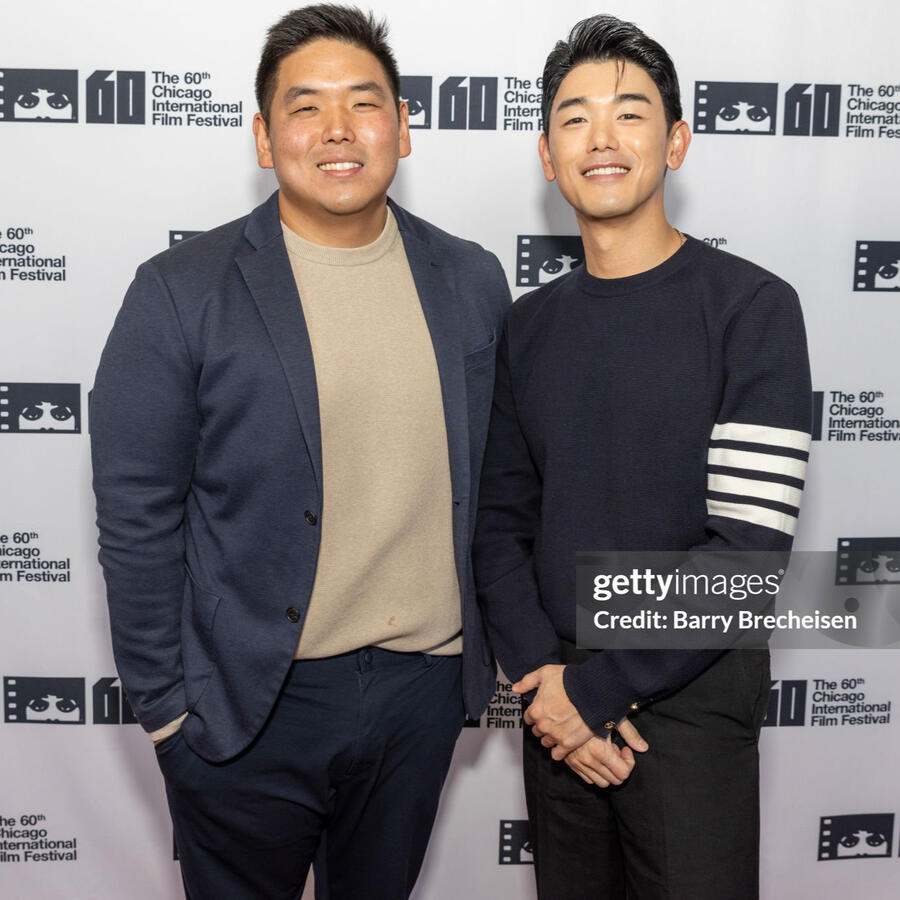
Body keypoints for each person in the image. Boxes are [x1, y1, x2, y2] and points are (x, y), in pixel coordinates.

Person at [90, 5, 509, 898]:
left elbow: (501, 482)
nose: (337, 131)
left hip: (420, 694)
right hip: (248, 704)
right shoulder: (180, 292)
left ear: (402, 125)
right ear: (261, 135)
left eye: (363, 103)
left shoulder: (472, 280)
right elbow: (136, 516)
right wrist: (169, 715)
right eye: (305, 106)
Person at [473, 14, 812, 900]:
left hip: (692, 704)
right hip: (554, 694)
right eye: (575, 117)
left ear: (677, 140)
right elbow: (498, 526)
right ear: (548, 156)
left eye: (630, 112)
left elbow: (746, 554)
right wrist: (551, 687)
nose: (603, 139)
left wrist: (598, 693)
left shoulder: (753, 310)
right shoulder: (528, 326)